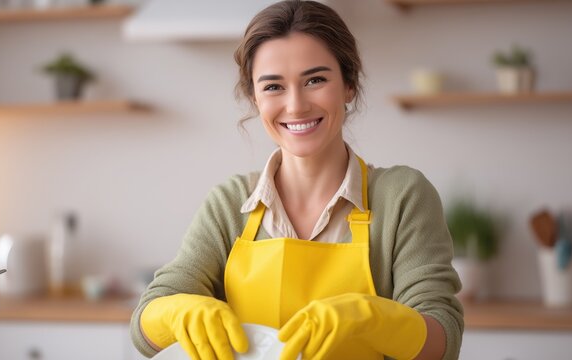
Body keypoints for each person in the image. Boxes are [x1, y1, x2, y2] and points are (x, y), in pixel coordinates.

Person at [130, 1, 463, 359]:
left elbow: (442, 341)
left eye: (315, 80)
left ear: (349, 85)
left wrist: (371, 319)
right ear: (254, 98)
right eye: (273, 86)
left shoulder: (402, 197)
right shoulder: (230, 204)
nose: (296, 105)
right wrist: (177, 312)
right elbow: (144, 330)